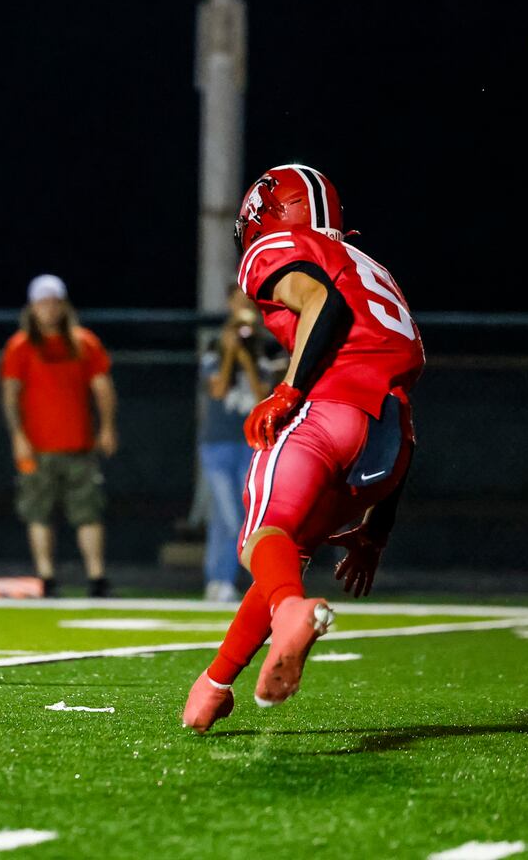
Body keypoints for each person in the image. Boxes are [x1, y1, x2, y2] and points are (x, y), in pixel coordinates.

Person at [183, 164, 424, 733]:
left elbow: (321, 302)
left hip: (325, 411)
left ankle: (292, 613)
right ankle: (215, 684)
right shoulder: (375, 270)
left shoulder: (281, 245)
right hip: (389, 433)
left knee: (259, 540)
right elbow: (391, 387)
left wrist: (290, 389)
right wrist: (375, 532)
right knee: (282, 560)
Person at [0, 274, 118, 598]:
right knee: (38, 512)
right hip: (37, 446)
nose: (49, 309)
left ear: (63, 306)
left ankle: (96, 578)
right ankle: (47, 579)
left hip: (79, 444)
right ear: (32, 308)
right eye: (42, 302)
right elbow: (10, 395)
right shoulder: (20, 346)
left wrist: (107, 427)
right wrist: (18, 436)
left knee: (88, 512)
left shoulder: (85, 343)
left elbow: (102, 388)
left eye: (54, 302)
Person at [198, 287, 273, 602]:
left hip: (250, 443)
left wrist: (245, 354)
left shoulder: (264, 352)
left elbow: (261, 398)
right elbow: (216, 391)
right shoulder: (214, 350)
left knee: (237, 513)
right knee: (227, 515)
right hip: (217, 443)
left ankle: (220, 579)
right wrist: (230, 352)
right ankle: (220, 579)